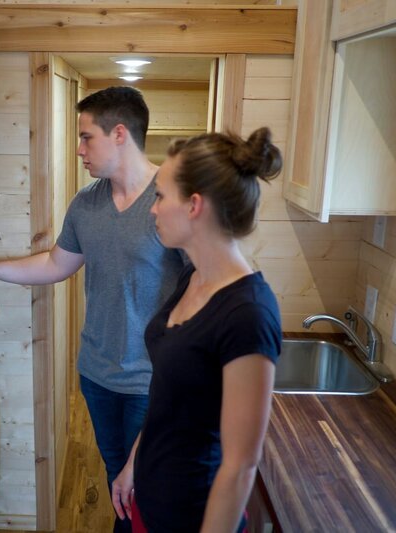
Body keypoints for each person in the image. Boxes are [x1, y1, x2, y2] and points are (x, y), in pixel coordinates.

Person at [0, 86, 185, 533]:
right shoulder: (86, 204)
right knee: (119, 480)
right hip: (96, 376)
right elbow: (57, 264)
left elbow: (203, 284)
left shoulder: (168, 201)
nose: (78, 150)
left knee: (144, 490)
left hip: (150, 383)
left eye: (86, 137)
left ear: (119, 134)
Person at [110, 128, 283, 533]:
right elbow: (168, 393)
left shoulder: (248, 313)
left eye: (160, 196)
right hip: (151, 501)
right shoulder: (192, 278)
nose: (153, 209)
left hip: (192, 515)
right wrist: (133, 464)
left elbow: (241, 467)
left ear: (194, 206)